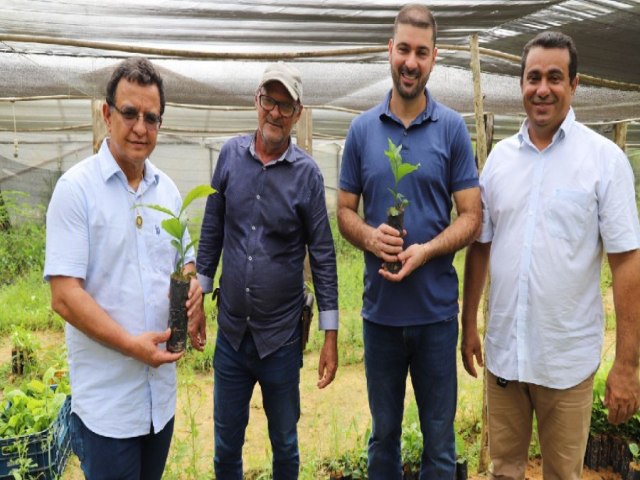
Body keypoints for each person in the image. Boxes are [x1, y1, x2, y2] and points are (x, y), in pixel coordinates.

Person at [461, 31, 640, 480]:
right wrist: (468, 326)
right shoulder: (499, 159)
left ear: (574, 85)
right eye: (533, 77)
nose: (543, 88)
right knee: (505, 471)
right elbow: (480, 247)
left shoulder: (603, 160)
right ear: (521, 84)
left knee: (563, 473)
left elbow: (627, 263)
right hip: (505, 357)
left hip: (567, 361)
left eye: (555, 77)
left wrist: (627, 364)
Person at [44, 56, 206, 480]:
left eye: (151, 117)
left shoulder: (166, 191)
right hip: (108, 408)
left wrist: (194, 294)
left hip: (160, 402)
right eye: (130, 113)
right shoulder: (76, 190)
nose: (140, 127)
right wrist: (131, 346)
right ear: (106, 114)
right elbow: (64, 294)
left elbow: (185, 262)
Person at [337, 4, 482, 479]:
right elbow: (343, 211)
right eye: (403, 49)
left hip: (437, 317)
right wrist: (368, 235)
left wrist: (428, 249)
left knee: (440, 443)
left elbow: (471, 216)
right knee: (383, 439)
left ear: (434, 58)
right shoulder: (361, 131)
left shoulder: (453, 129)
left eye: (422, 52)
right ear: (390, 51)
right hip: (380, 318)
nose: (411, 62)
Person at [196, 61, 339, 480]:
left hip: (281, 339)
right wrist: (197, 300)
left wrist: (330, 335)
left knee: (286, 445)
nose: (274, 112)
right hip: (232, 337)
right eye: (267, 101)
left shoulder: (307, 175)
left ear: (297, 114)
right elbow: (211, 233)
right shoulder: (229, 157)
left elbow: (324, 255)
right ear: (256, 102)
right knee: (225, 447)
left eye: (284, 105)